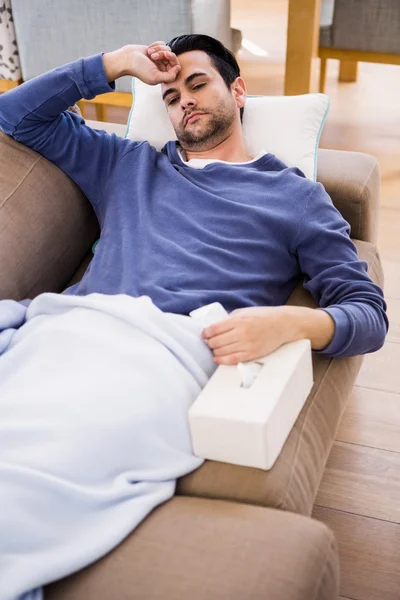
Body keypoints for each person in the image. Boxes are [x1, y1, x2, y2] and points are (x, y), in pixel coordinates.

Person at [0, 35, 388, 599]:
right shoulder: (129, 164)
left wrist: (287, 324)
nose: (182, 100)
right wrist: (114, 65)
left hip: (163, 354)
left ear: (237, 89)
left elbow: (367, 314)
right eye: (170, 94)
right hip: (69, 328)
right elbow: (15, 117)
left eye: (198, 84)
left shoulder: (296, 199)